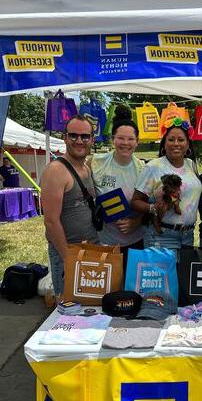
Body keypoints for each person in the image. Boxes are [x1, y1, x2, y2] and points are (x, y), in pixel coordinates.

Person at [40, 115, 98, 299]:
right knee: (70, 315)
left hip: (91, 250)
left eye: (85, 136)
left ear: (92, 139)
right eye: (73, 136)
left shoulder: (86, 168)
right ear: (65, 137)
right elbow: (51, 221)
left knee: (91, 310)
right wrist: (68, 258)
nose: (79, 141)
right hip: (69, 255)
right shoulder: (56, 171)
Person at [132, 120, 201, 250]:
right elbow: (135, 202)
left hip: (188, 236)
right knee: (162, 271)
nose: (176, 144)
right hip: (161, 235)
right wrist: (154, 208)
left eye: (181, 140)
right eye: (171, 140)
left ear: (187, 145)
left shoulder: (191, 164)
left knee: (183, 271)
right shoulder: (153, 166)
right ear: (164, 143)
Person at [90, 106, 144, 267]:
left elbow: (152, 207)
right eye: (120, 138)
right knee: (107, 289)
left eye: (131, 139)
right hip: (103, 241)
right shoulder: (95, 162)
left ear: (137, 142)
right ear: (113, 139)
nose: (125, 143)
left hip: (135, 242)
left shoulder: (143, 169)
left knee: (130, 290)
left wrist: (136, 222)